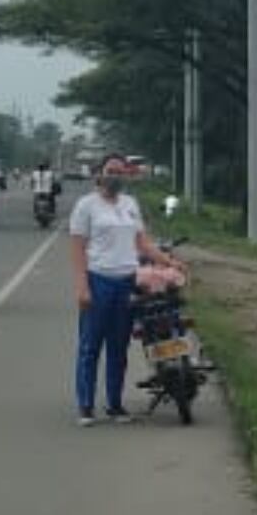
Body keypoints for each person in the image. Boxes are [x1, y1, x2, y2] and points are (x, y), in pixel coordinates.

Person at [67, 159, 164, 423]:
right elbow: (77, 248)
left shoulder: (129, 204)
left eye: (120, 172)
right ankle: (86, 405)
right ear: (99, 174)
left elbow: (142, 243)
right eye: (110, 172)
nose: (115, 177)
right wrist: (82, 286)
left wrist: (166, 261)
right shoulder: (86, 206)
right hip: (98, 280)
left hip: (127, 281)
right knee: (90, 346)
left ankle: (115, 404)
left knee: (119, 347)